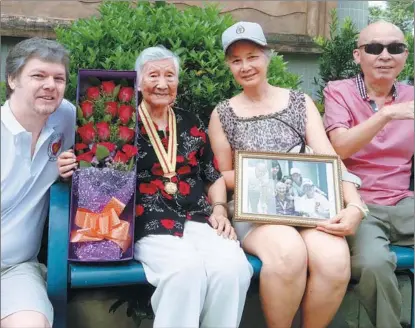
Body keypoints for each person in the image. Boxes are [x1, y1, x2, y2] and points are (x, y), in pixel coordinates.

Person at [58, 46, 252, 328]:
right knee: (185, 271)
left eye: (170, 76)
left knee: (233, 269)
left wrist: (220, 209)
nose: (162, 84)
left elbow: (213, 175)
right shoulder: (118, 124)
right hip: (146, 221)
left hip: (198, 218)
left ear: (177, 82)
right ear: (138, 81)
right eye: (153, 76)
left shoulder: (191, 122)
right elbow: (94, 173)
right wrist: (72, 167)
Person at [209, 21, 367, 328]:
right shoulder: (223, 113)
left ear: (267, 56)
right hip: (256, 213)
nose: (245, 66)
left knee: (334, 260)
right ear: (229, 65)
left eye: (252, 56)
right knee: (287, 252)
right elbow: (221, 175)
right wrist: (264, 175)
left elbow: (329, 159)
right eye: (236, 60)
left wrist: (354, 207)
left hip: (308, 206)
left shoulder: (300, 102)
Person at [323, 21, 414, 328]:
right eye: (374, 48)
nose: (385, 55)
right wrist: (387, 113)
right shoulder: (339, 92)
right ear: (357, 56)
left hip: (404, 203)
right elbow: (340, 148)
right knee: (373, 264)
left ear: (405, 54)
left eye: (395, 48)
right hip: (360, 206)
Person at [1, 38, 75, 328]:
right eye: (38, 76)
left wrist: (65, 172)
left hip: (16, 270)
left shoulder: (65, 117)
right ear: (12, 79)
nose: (50, 85)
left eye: (59, 78)